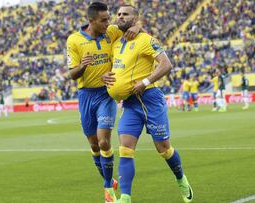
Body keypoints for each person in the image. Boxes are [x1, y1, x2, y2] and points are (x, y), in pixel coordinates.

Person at [103, 5, 193, 203]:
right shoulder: (116, 41)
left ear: (135, 18)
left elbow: (166, 64)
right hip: (130, 104)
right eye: (118, 14)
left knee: (164, 149)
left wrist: (145, 83)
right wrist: (106, 77)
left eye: (125, 14)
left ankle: (181, 179)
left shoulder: (146, 40)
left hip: (150, 100)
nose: (120, 16)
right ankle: (125, 197)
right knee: (125, 149)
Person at [66, 2, 140, 202]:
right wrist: (83, 65)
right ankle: (109, 179)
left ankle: (108, 189)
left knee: (104, 141)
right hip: (85, 96)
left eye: (109, 18)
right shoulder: (74, 40)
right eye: (104, 20)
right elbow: (72, 74)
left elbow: (134, 25)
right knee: (94, 145)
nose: (109, 22)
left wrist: (136, 26)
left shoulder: (112, 32)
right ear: (91, 21)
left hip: (106, 94)